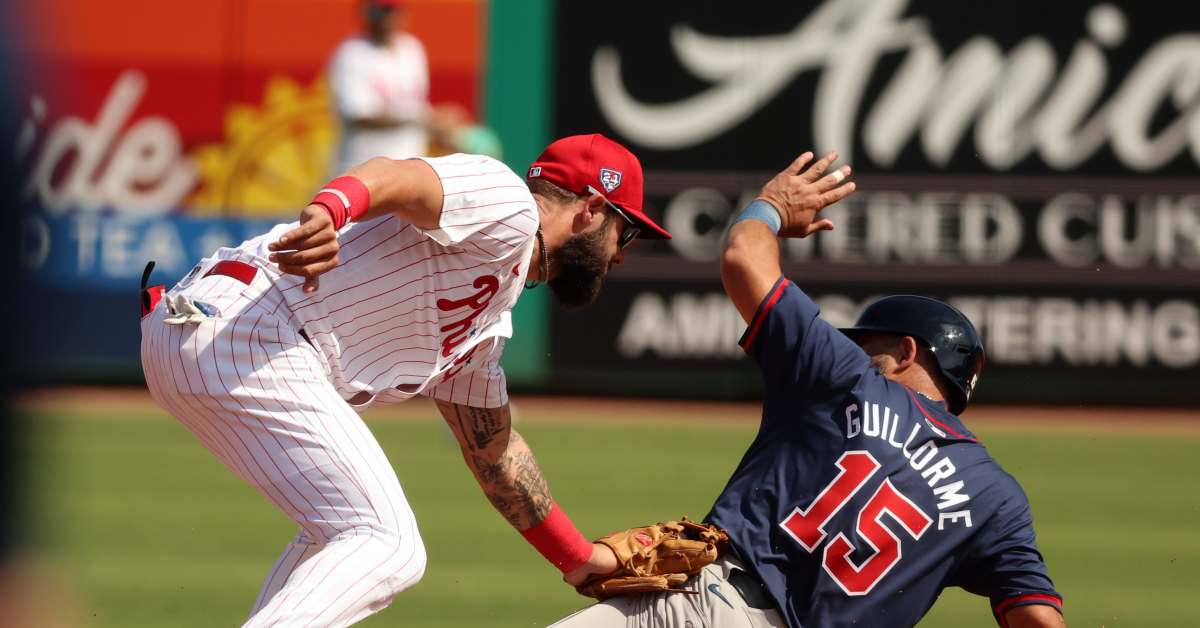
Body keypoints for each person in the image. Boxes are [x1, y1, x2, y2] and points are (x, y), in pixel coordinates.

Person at [139, 133, 669, 626]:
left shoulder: (488, 320)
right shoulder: (509, 206)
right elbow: (398, 177)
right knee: (388, 543)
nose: (621, 253)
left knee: (339, 539)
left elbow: (496, 454)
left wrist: (579, 559)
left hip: (224, 334)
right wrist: (330, 209)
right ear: (593, 210)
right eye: (628, 231)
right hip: (249, 328)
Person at [551, 151, 1065, 628]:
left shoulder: (847, 379)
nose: (859, 351)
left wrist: (770, 207)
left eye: (870, 344)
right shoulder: (997, 498)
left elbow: (743, 260)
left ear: (909, 352)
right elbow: (1038, 618)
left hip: (714, 610)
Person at [329, 0, 430, 174]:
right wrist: (420, 119)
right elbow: (360, 115)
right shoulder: (352, 53)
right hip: (363, 170)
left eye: (390, 11)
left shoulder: (412, 48)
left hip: (408, 165)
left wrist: (442, 125)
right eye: (379, 12)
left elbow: (414, 105)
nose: (386, 18)